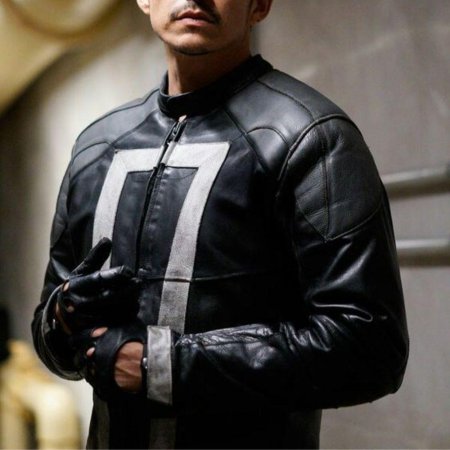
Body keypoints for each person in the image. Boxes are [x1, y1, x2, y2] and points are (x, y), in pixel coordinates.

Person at [32, 0, 409, 448]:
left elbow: (370, 346)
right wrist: (63, 316)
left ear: (259, 5)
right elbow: (49, 338)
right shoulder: (96, 146)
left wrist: (163, 365)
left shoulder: (311, 137)